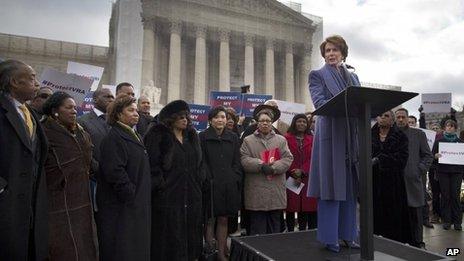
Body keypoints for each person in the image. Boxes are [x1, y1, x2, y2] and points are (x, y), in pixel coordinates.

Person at [307, 35, 361, 252]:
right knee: (331, 187)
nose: (330, 54)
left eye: (334, 50)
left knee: (349, 187)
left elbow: (361, 101)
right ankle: (330, 238)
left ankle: (349, 235)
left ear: (343, 53)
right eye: (327, 50)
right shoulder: (317, 75)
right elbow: (319, 102)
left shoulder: (354, 77)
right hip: (330, 136)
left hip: (350, 136)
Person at [144, 100, 205, 260]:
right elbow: (152, 165)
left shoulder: (192, 136)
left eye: (187, 116)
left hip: (191, 194)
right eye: (181, 117)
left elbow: (198, 163)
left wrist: (198, 182)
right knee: (169, 235)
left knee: (189, 232)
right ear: (171, 118)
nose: (185, 119)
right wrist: (160, 185)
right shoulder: (157, 135)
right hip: (168, 195)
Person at [0, 59, 49, 260]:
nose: (36, 84)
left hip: (30, 205)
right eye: (31, 78)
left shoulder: (30, 114)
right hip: (6, 204)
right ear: (14, 82)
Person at [41, 92, 98, 260]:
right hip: (56, 200)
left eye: (75, 107)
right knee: (63, 247)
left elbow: (89, 161)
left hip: (82, 197)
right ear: (54, 111)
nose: (74, 111)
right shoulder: (44, 131)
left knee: (84, 244)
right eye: (68, 107)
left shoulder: (81, 132)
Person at [97, 94, 151, 260]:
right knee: (122, 249)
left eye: (136, 110)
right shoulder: (114, 137)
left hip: (135, 205)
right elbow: (115, 172)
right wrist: (131, 194)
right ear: (119, 114)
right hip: (122, 207)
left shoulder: (135, 135)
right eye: (131, 110)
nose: (136, 114)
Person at [240, 108, 293, 235]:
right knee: (257, 229)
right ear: (257, 123)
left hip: (275, 189)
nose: (265, 123)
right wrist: (261, 165)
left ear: (271, 123)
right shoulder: (248, 140)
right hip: (256, 190)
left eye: (268, 121)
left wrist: (274, 167)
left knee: (274, 228)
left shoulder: (281, 140)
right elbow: (243, 159)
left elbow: (288, 158)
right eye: (262, 120)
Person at [200, 106, 242, 261]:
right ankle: (210, 251)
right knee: (210, 219)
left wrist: (234, 176)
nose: (220, 120)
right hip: (210, 184)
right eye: (217, 117)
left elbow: (237, 161)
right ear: (210, 120)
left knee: (224, 218)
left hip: (228, 184)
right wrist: (207, 177)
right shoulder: (202, 137)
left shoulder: (233, 137)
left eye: (223, 117)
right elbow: (201, 160)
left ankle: (222, 253)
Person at [371, 111, 412, 243]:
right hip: (373, 182)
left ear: (392, 120)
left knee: (393, 217)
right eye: (380, 115)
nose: (382, 117)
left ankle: (393, 245)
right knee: (374, 217)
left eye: (386, 116)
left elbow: (402, 160)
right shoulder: (368, 134)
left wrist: (380, 159)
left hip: (393, 184)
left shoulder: (400, 136)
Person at [395, 108, 433, 248]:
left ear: (407, 118)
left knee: (416, 215)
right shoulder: (390, 135)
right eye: (398, 117)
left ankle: (418, 243)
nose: (400, 119)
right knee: (399, 215)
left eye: (403, 117)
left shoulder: (418, 134)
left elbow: (428, 156)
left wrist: (419, 170)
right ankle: (401, 243)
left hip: (413, 182)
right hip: (396, 183)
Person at [78, 87, 114, 212]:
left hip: (116, 180)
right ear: (94, 99)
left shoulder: (117, 121)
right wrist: (98, 170)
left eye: (112, 97)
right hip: (95, 180)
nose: (111, 99)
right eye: (106, 96)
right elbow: (83, 149)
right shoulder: (82, 121)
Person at [284, 114, 317, 231]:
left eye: (304, 122)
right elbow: (284, 156)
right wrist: (294, 170)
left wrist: (303, 170)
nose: (301, 124)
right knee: (292, 206)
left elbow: (314, 157)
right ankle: (290, 230)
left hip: (307, 177)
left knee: (306, 206)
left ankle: (303, 230)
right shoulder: (286, 138)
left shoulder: (312, 139)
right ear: (294, 123)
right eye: (299, 121)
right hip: (292, 177)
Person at [432, 119, 464, 231]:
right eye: (447, 126)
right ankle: (447, 221)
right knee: (445, 196)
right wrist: (435, 156)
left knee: (455, 196)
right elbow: (431, 157)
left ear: (455, 128)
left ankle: (457, 222)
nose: (449, 128)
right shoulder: (439, 141)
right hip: (443, 172)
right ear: (444, 128)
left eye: (451, 126)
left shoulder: (461, 142)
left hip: (457, 172)